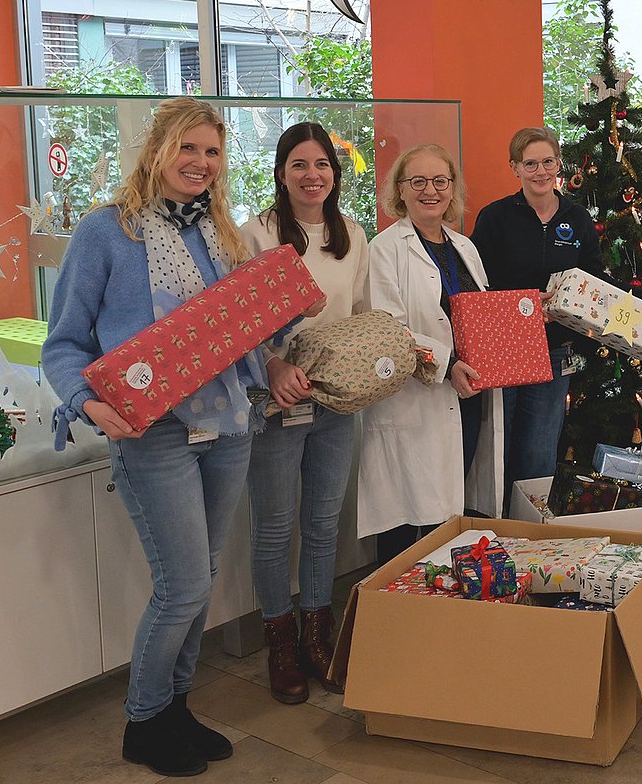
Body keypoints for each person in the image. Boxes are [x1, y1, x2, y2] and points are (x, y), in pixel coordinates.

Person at [42, 97, 320, 777]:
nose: (200, 162)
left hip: (228, 425)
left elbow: (240, 335)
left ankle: (176, 708)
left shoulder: (221, 234)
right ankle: (144, 720)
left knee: (199, 581)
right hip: (154, 432)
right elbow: (63, 344)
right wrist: (85, 401)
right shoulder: (106, 232)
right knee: (184, 583)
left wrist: (289, 315)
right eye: (188, 148)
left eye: (212, 152)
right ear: (158, 150)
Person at [471, 126, 642, 501]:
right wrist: (525, 307)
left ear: (558, 164)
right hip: (505, 348)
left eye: (547, 161)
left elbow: (596, 281)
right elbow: (478, 284)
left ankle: (530, 525)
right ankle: (495, 525)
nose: (540, 171)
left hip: (554, 351)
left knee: (538, 454)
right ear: (514, 168)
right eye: (530, 164)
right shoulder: (495, 218)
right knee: (497, 449)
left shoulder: (577, 217)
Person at [240, 122, 369, 705]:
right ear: (281, 172)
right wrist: (272, 365)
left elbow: (360, 315)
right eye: (299, 164)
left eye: (322, 165)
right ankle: (281, 645)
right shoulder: (257, 235)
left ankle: (318, 636)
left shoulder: (353, 235)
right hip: (277, 403)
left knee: (322, 523)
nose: (312, 175)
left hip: (335, 403)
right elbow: (239, 322)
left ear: (335, 175)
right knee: (274, 528)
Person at [358, 143, 503, 563]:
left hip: (467, 396)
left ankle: (439, 595)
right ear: (400, 190)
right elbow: (390, 329)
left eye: (440, 181)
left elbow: (480, 313)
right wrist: (447, 365)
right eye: (417, 181)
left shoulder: (465, 247)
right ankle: (395, 599)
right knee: (404, 520)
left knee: (450, 515)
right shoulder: (385, 248)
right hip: (416, 399)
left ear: (452, 188)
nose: (430, 191)